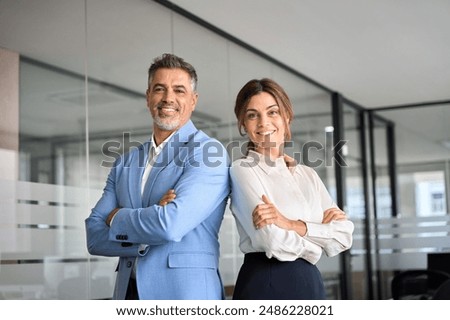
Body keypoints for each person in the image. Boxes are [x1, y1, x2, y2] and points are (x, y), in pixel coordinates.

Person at [85, 53, 230, 300]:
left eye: (179, 90)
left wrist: (116, 216)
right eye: (159, 89)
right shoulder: (125, 162)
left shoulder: (208, 152)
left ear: (193, 101)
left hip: (185, 296)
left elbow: (170, 225)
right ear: (148, 97)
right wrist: (150, 222)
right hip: (128, 294)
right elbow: (93, 236)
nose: (168, 98)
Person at [229, 78, 354, 300]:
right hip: (267, 282)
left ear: (287, 117)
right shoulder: (243, 170)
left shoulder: (308, 175)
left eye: (272, 112)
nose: (263, 123)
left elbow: (343, 236)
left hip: (310, 282)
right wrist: (318, 244)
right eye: (252, 115)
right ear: (243, 125)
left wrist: (290, 224)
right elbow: (272, 241)